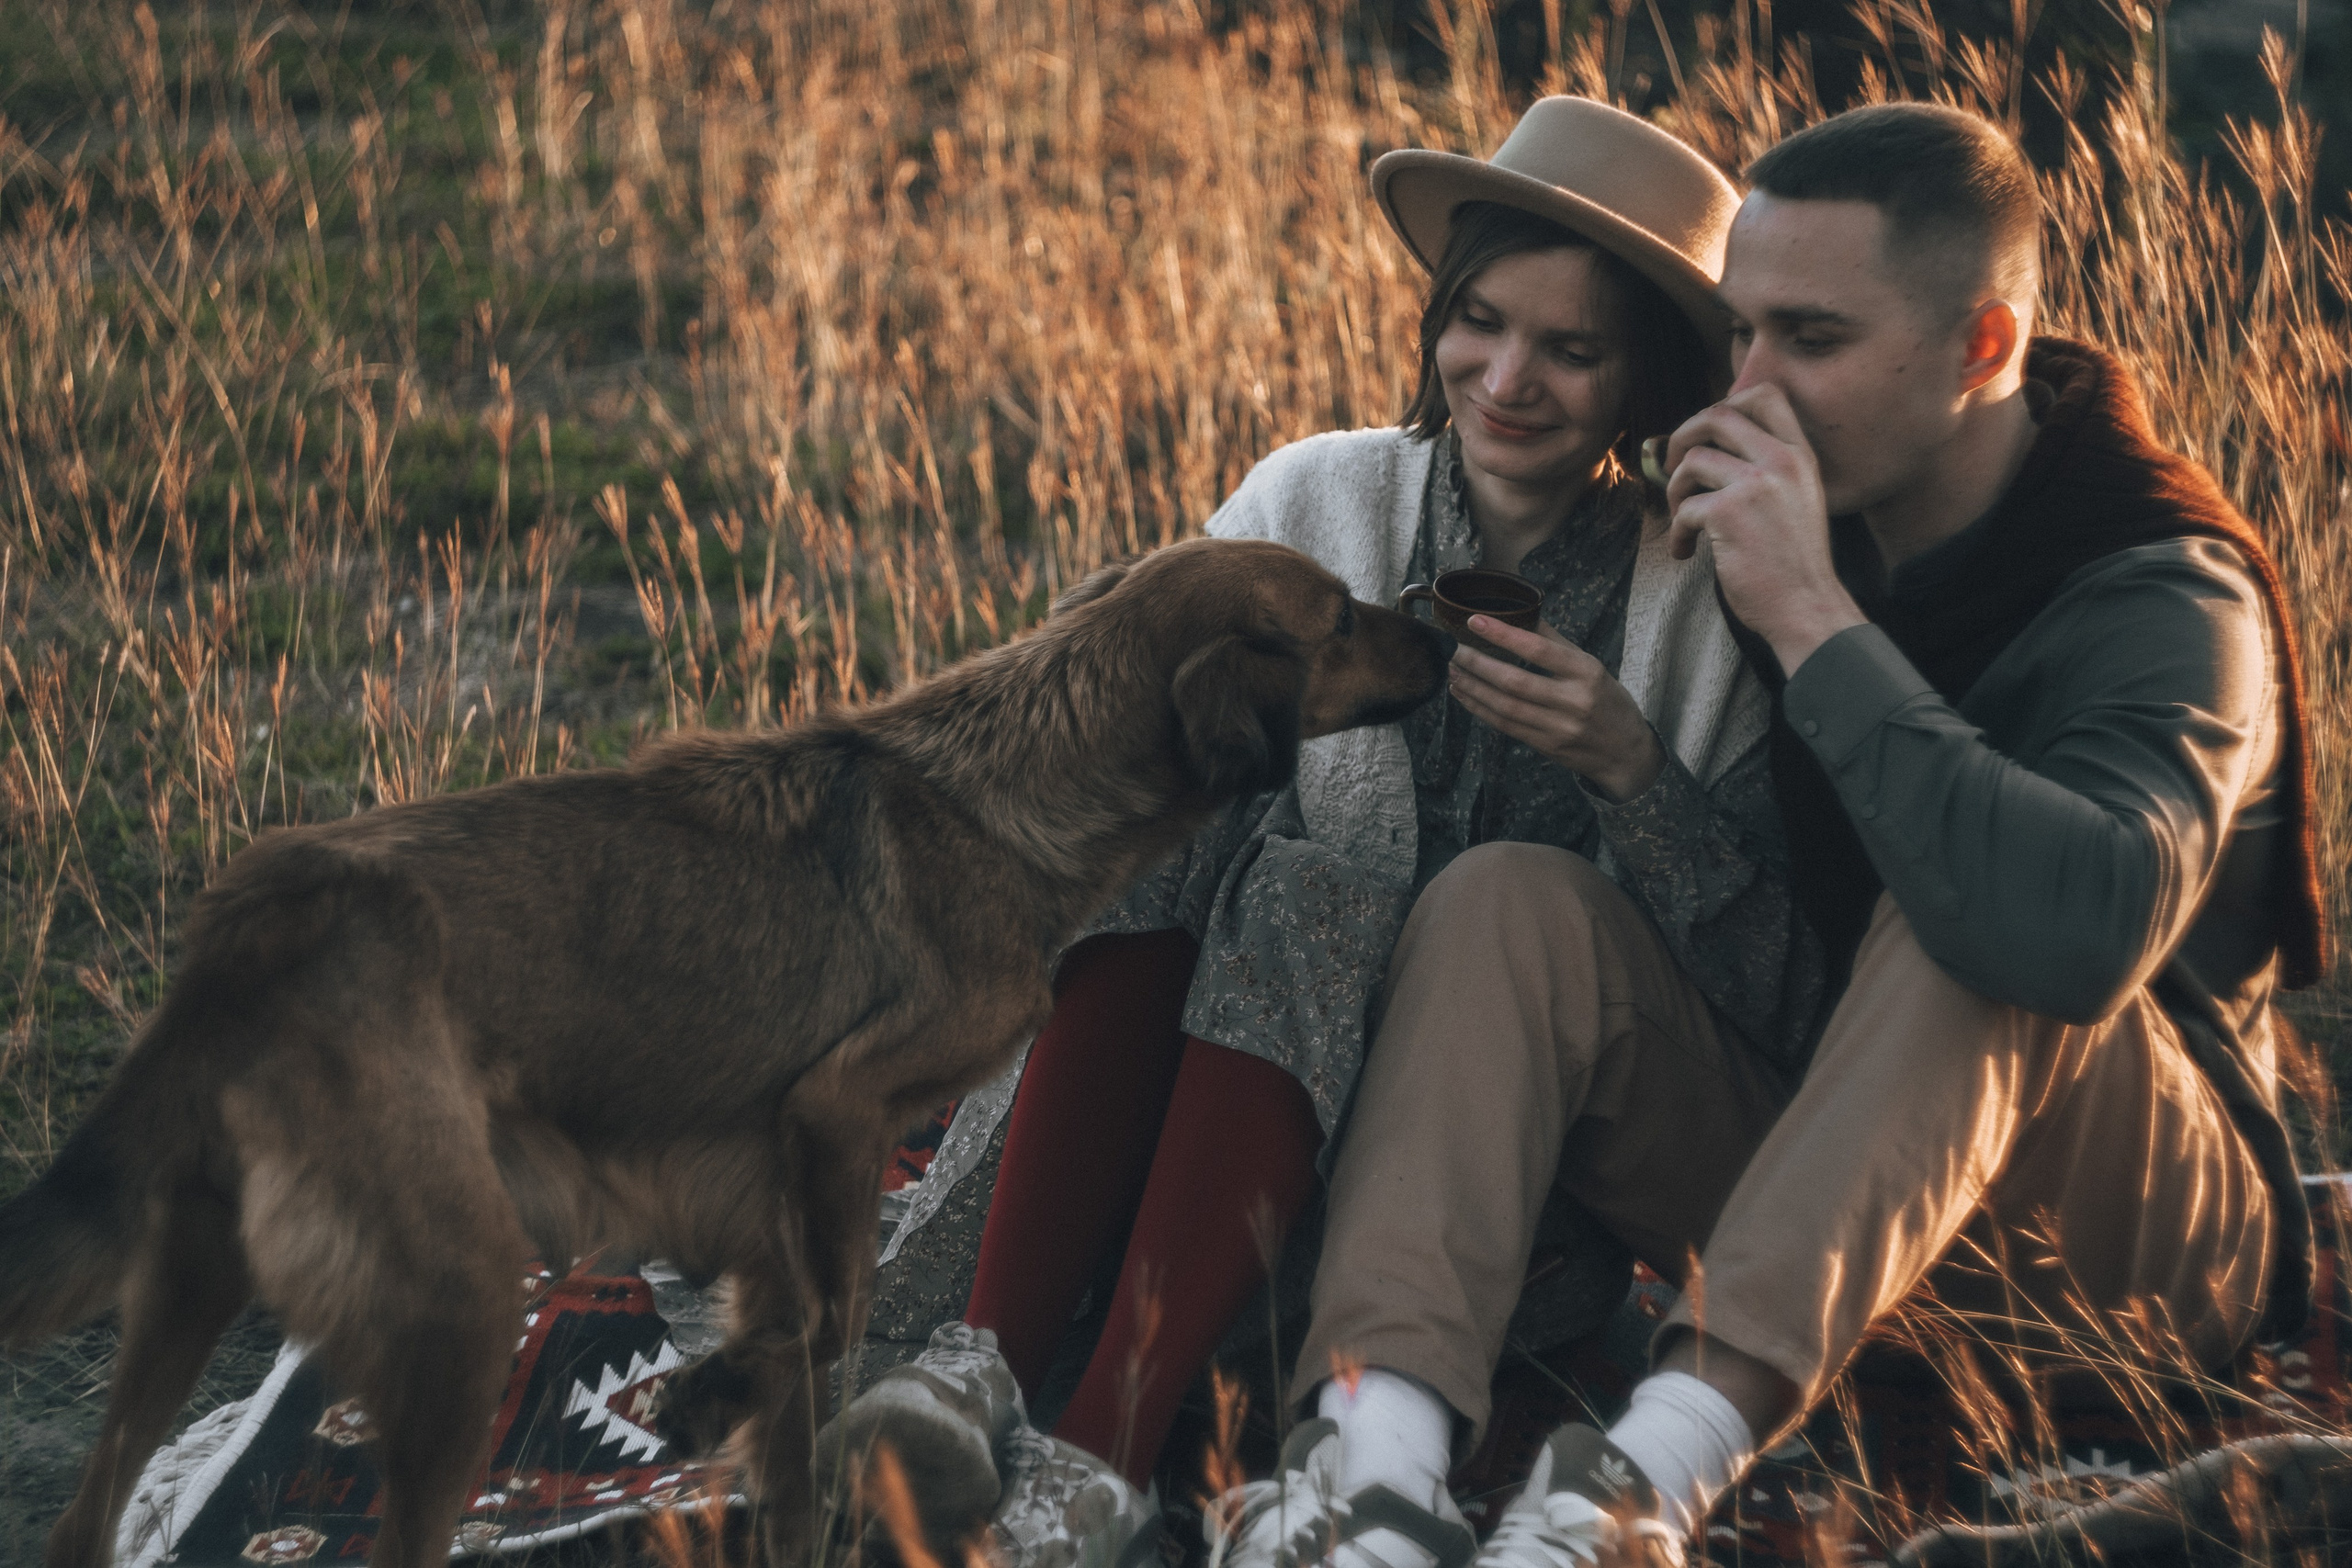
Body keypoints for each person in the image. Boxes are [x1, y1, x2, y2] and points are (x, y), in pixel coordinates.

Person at [1209, 100, 2328, 1568]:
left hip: (2123, 1251)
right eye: (1737, 336)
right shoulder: (1765, 515)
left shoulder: (2163, 588)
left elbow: (2073, 934)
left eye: (1811, 340)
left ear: (1983, 348)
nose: (1750, 390)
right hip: (1825, 1181)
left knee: (1964, 906)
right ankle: (1376, 1469)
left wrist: (1813, 615)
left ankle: (1626, 1495)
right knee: (1511, 905)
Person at [824, 97, 1821, 1567]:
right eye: (1478, 321)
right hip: (1182, 1129)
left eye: (1572, 349)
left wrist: (1629, 771)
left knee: (1322, 891)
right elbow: (1085, 786)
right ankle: (982, 1362)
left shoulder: (1698, 604)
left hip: (1457, 1199)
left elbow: (1759, 990)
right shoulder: (1316, 498)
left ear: (1646, 383)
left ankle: (1101, 1448)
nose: (1506, 379)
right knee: (1218, 836)